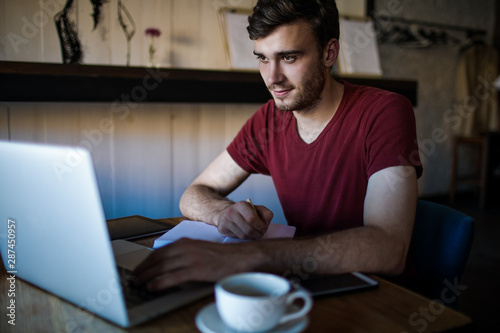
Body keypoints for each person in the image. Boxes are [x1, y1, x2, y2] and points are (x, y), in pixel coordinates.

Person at [134, 0, 422, 291]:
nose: (272, 78)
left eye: (289, 57)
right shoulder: (268, 121)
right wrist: (222, 213)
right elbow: (193, 194)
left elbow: (389, 248)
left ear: (329, 52)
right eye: (262, 58)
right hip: (306, 284)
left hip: (380, 295)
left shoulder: (384, 112)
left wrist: (246, 257)